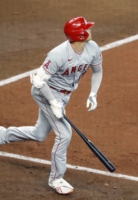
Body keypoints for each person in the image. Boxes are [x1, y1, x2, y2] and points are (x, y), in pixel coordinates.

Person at [0, 16, 103, 195]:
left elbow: (98, 71)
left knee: (39, 134)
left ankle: (1, 135)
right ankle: (56, 179)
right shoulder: (58, 54)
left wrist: (93, 93)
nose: (90, 30)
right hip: (45, 92)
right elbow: (39, 80)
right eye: (87, 28)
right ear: (80, 35)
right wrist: (54, 103)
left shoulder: (92, 48)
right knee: (64, 135)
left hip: (63, 96)